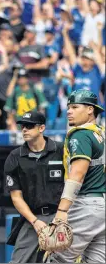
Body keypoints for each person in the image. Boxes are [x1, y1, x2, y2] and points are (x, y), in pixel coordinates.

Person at [48, 89, 105, 263]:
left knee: (57, 258)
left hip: (86, 205)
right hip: (102, 206)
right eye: (68, 107)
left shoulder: (81, 135)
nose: (69, 111)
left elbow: (78, 174)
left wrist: (62, 210)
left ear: (90, 109)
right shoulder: (100, 133)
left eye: (74, 107)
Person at [4, 110, 65, 263]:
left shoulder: (61, 150)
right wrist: (35, 222)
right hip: (32, 218)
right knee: (18, 261)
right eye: (23, 126)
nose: (24, 129)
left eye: (29, 126)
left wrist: (62, 216)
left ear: (41, 128)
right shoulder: (15, 157)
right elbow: (16, 197)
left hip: (61, 216)